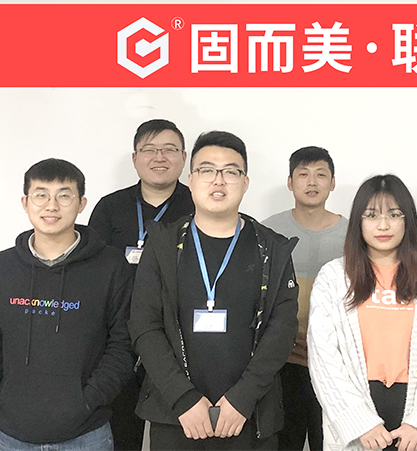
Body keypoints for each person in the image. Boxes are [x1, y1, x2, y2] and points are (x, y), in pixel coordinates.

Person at [128, 130, 299, 451]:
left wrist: (242, 398)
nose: (218, 180)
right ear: (191, 179)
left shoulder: (272, 249)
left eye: (230, 172)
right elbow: (144, 325)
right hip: (177, 416)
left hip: (249, 415)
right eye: (207, 170)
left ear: (245, 182)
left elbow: (282, 330)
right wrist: (183, 398)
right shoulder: (163, 245)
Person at [0, 158, 135, 451]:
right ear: (25, 202)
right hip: (12, 435)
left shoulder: (111, 266)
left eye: (64, 195)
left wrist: (88, 400)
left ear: (82, 203)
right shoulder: (1, 268)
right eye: (41, 195)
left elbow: (123, 345)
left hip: (87, 435)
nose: (51, 206)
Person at [308, 174, 417, 451]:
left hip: (416, 416)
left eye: (394, 214)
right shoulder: (333, 277)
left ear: (408, 220)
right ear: (358, 222)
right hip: (357, 417)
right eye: (371, 215)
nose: (383, 225)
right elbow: (324, 358)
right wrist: (360, 422)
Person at [88, 118, 194, 450]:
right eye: (149, 149)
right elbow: (91, 275)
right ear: (135, 158)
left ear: (183, 157)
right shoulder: (110, 208)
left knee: (178, 434)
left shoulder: (198, 206)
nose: (159, 157)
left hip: (178, 340)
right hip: (117, 339)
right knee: (121, 435)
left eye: (169, 149)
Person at [262, 146, 347, 451]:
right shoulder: (269, 231)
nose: (312, 182)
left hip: (337, 365)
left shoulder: (353, 234)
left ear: (332, 183)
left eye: (320, 175)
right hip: (282, 362)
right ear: (290, 182)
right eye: (303, 174)